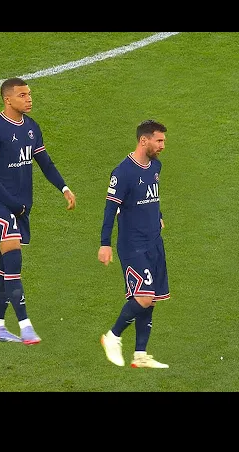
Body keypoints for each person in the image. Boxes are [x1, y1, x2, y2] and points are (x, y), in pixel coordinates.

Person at [0, 77, 76, 345]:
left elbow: (45, 162)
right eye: (22, 95)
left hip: (20, 205)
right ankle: (26, 326)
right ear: (7, 99)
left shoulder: (32, 128)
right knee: (14, 260)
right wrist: (11, 204)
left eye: (29, 94)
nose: (29, 98)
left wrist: (64, 188)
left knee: (5, 265)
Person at [98, 119, 170, 369]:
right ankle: (112, 337)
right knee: (144, 296)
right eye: (159, 140)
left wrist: (158, 216)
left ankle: (140, 354)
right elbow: (110, 210)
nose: (162, 146)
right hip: (133, 245)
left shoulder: (155, 166)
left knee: (152, 299)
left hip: (154, 243)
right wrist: (105, 244)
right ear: (143, 140)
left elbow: (151, 197)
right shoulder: (122, 173)